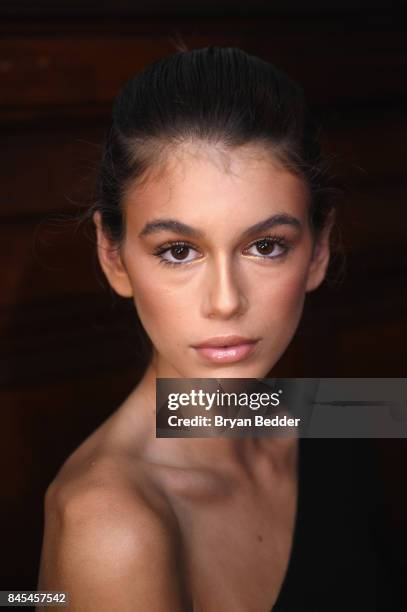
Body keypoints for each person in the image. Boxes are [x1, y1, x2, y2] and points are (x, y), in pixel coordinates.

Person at [37, 46, 386, 611]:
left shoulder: (339, 414)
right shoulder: (111, 530)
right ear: (114, 256)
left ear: (319, 250)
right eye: (178, 251)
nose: (225, 302)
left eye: (266, 246)